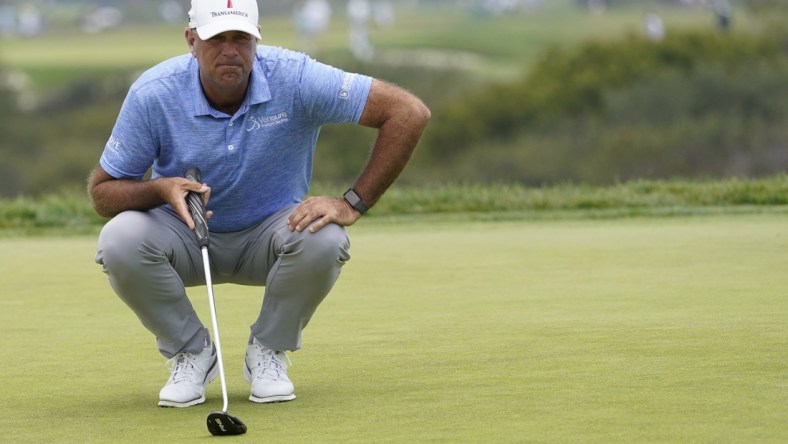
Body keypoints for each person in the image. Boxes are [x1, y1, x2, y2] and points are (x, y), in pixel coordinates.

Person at [87, 0, 429, 408]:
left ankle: (268, 351)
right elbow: (103, 193)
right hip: (185, 236)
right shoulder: (154, 93)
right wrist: (160, 188)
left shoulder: (296, 76)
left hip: (272, 235)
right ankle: (191, 353)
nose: (230, 50)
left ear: (257, 41)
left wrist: (352, 203)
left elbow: (408, 112)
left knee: (326, 236)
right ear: (191, 41)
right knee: (119, 239)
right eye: (217, 39)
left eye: (241, 39)